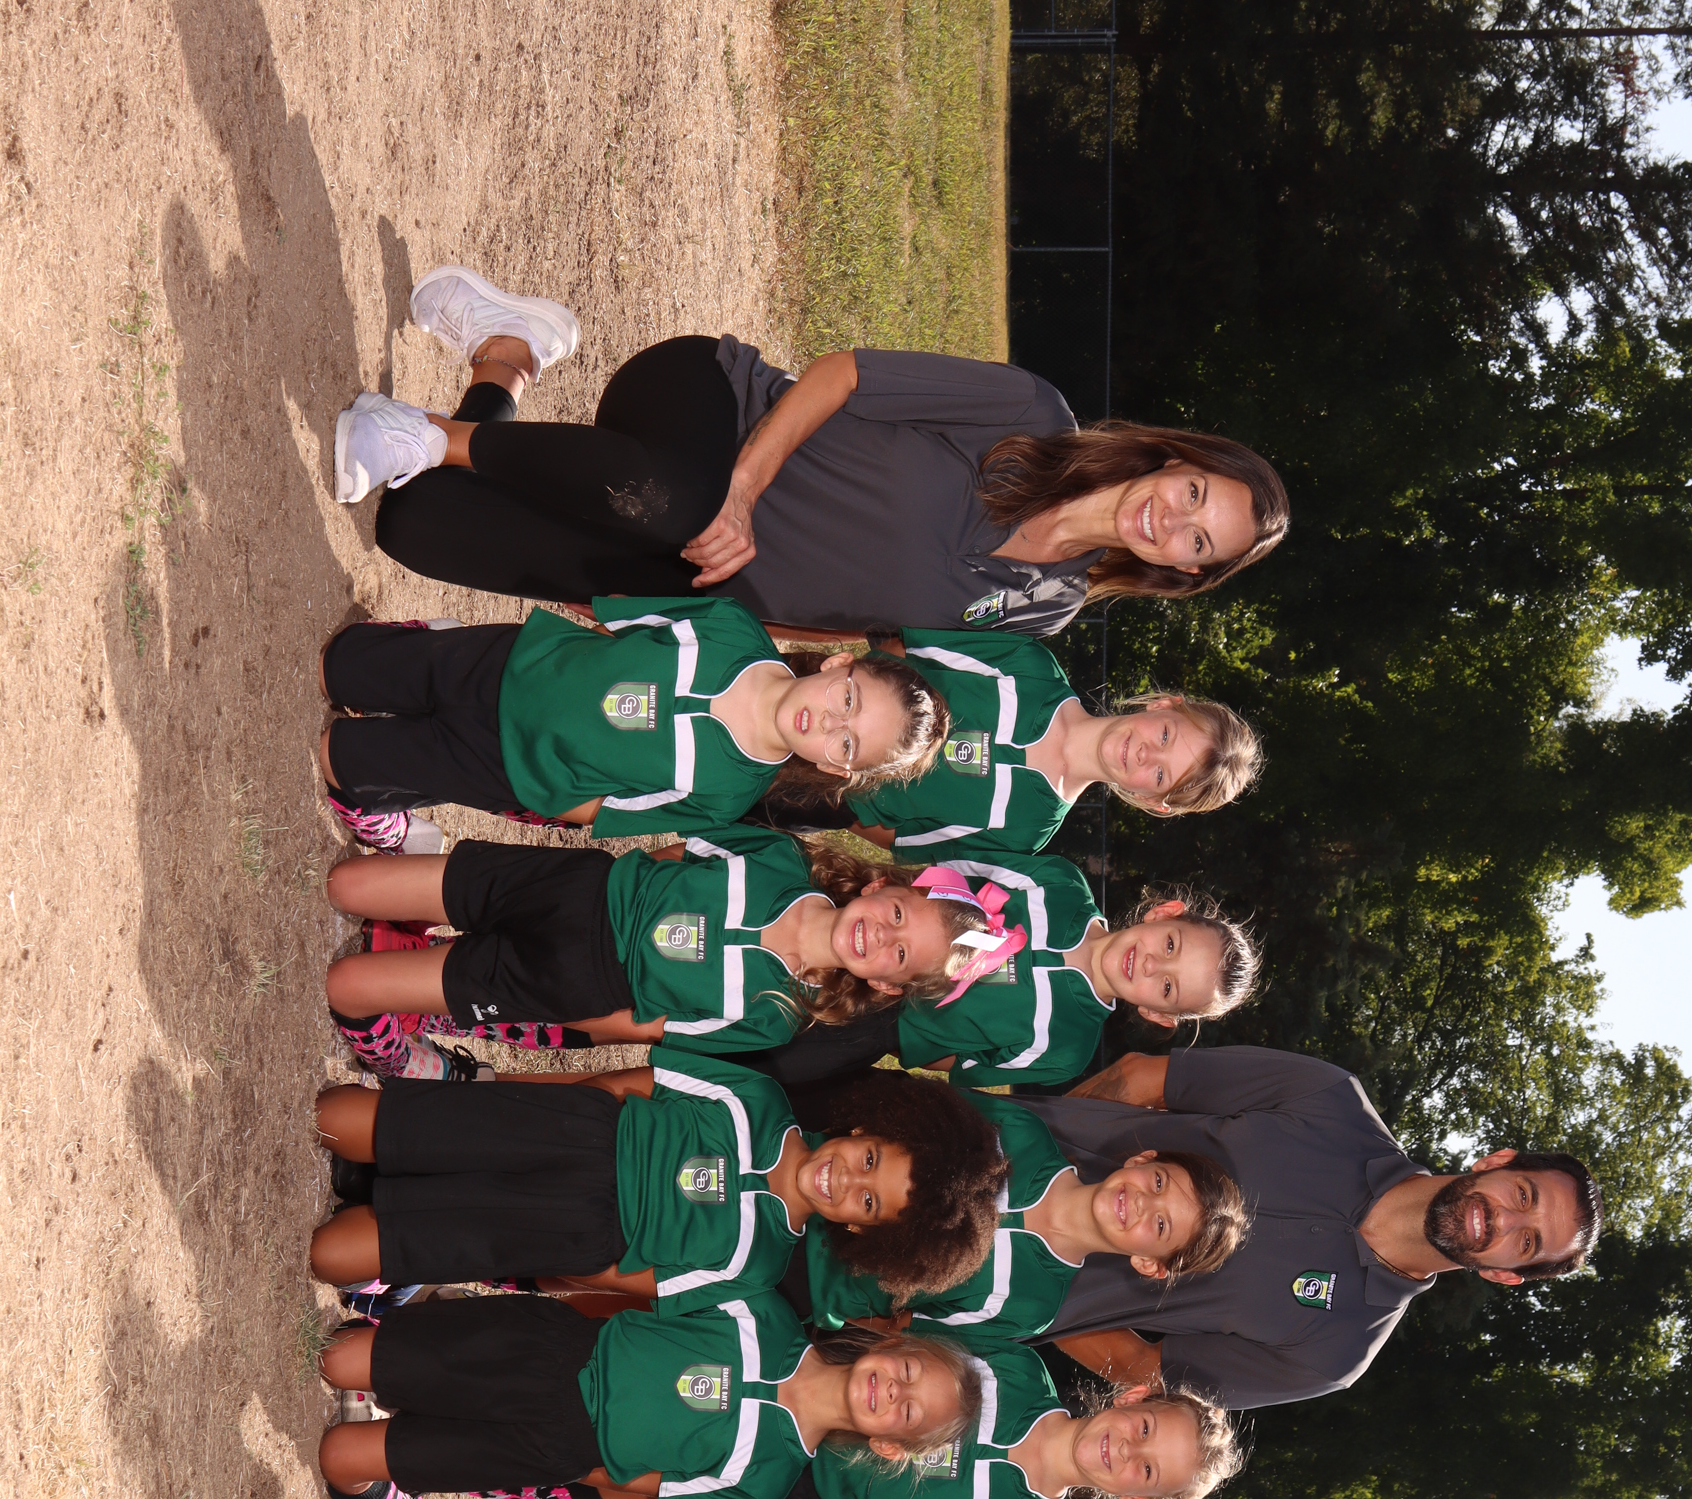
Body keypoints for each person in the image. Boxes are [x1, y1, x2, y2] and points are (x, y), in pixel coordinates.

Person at [334, 265, 1290, 636]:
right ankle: (427, 434)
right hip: (711, 413)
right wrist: (744, 490)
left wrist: (668, 616)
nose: (1174, 521)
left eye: (1198, 540)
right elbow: (841, 375)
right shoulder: (1034, 415)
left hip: (690, 563)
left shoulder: (1046, 608)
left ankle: (508, 352)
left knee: (415, 526)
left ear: (1182, 571)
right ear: (1176, 461)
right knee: (679, 498)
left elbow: (860, 635)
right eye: (1195, 494)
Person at [1011, 1047, 1606, 1409]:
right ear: (1497, 1163)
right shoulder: (1332, 1100)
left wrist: (1037, 1297)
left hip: (989, 1286)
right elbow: (1144, 1078)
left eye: (1526, 1240)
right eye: (1523, 1195)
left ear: (1505, 1274)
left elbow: (1141, 1368)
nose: (1504, 1219)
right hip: (989, 1148)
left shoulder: (1334, 1355)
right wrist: (1037, 1155)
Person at [321, 830, 1045, 1080]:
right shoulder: (783, 858)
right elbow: (675, 854)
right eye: (897, 916)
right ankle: (429, 938)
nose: (880, 936)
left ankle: (393, 1045)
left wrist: (564, 1004)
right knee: (346, 884)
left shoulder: (775, 1016)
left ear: (887, 987)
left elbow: (643, 1027)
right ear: (883, 885)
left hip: (571, 980)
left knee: (348, 983)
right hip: (573, 889)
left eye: (899, 954)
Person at [309, 1058, 1006, 1304]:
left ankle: (388, 1200)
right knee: (333, 1117)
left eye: (868, 1201)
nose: (848, 1178)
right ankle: (387, 1167)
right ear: (871, 1127)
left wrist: (564, 1258)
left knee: (331, 1255)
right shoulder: (757, 1099)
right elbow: (626, 1086)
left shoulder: (757, 1264)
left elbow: (628, 1279)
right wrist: (552, 1118)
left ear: (860, 1229)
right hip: (581, 1131)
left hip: (578, 1228)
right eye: (871, 1159)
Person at [315, 1291, 982, 1499]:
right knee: (339, 1357)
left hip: (554, 1443)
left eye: (908, 1411)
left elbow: (642, 1488)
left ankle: (377, 1486)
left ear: (889, 1447)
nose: (892, 1391)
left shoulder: (768, 1479)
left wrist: (568, 1459)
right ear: (894, 1343)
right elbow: (636, 1295)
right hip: (551, 1348)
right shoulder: (765, 1314)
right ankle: (414, 1346)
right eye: (907, 1370)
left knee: (342, 1456)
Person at [317, 601, 944, 855]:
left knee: (338, 758)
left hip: (507, 764)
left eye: (846, 742)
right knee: (339, 665)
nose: (830, 721)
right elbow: (615, 620)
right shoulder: (733, 629)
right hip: (513, 662)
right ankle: (429, 649)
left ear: (835, 767)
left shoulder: (729, 794)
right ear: (838, 663)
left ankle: (397, 788)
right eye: (848, 697)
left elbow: (605, 809)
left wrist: (535, 783)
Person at [691, 1339, 1242, 1499]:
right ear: (1134, 1397)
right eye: (1143, 1428)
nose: (1124, 1448)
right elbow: (907, 1342)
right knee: (686, 1399)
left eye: (1146, 1468)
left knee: (680, 1495)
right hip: (806, 1399)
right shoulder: (1018, 1372)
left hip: (802, 1497)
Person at [751, 855, 1259, 1094]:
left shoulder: (1066, 1050)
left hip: (873, 1027)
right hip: (872, 932)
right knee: (755, 951)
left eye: (1166, 986)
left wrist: (909, 1028)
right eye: (1170, 946)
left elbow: (960, 1063)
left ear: (1157, 1013)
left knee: (762, 1066)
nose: (1150, 964)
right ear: (1164, 914)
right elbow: (945, 876)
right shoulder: (1059, 885)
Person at [796, 1090, 1247, 1343]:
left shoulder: (1033, 1308)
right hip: (804, 1174)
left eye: (1161, 1226)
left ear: (1149, 1263)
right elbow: (892, 1119)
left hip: (799, 1288)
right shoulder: (1019, 1134)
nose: (1144, 1203)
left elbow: (898, 1329)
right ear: (1143, 1159)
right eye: (1159, 1183)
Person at [784, 629, 1260, 853]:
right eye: (1165, 735)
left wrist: (824, 798)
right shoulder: (1029, 667)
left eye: (1160, 773)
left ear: (1154, 802)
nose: (1144, 752)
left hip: (807, 795)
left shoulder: (1026, 832)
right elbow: (900, 650)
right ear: (1162, 705)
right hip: (810, 699)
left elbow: (899, 837)